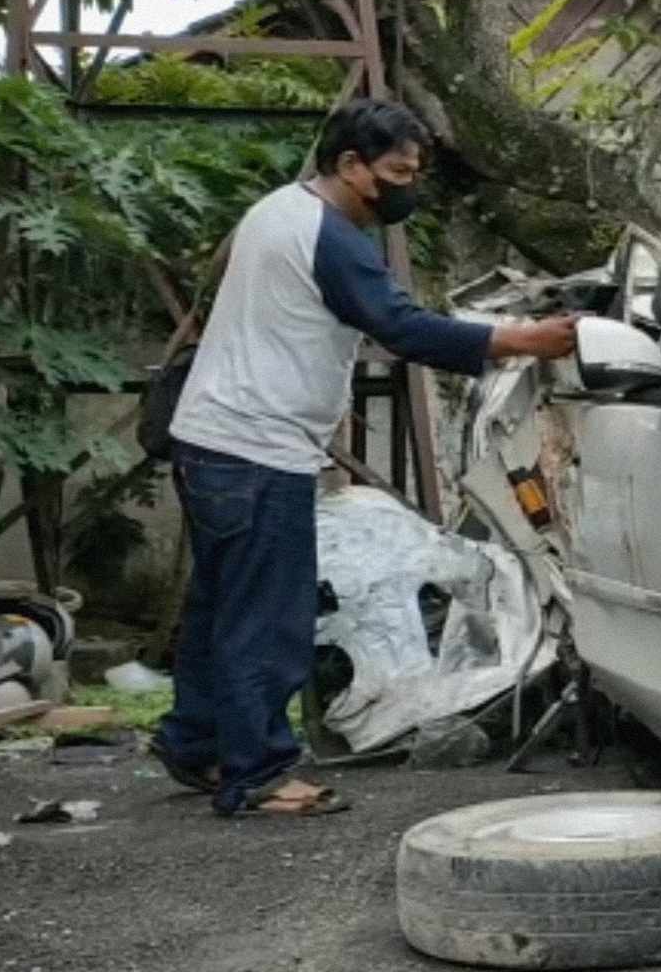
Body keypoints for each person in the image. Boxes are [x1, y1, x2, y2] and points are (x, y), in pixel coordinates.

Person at [151, 99, 579, 816]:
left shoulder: (275, 211)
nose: (406, 187)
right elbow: (401, 327)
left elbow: (276, 317)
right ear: (350, 164)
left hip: (214, 440)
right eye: (396, 172)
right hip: (257, 450)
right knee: (269, 618)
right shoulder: (334, 235)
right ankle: (256, 774)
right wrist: (519, 340)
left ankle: (195, 744)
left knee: (220, 608)